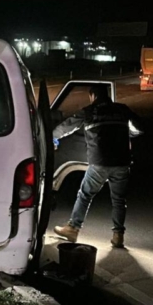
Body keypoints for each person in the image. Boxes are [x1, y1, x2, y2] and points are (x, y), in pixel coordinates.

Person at [52, 85, 143, 248]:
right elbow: (140, 128)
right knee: (119, 200)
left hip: (100, 163)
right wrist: (126, 133)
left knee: (85, 194)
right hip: (122, 162)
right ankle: (118, 236)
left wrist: (52, 137)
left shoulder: (89, 111)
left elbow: (67, 126)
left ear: (92, 96)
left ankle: (73, 229)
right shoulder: (122, 109)